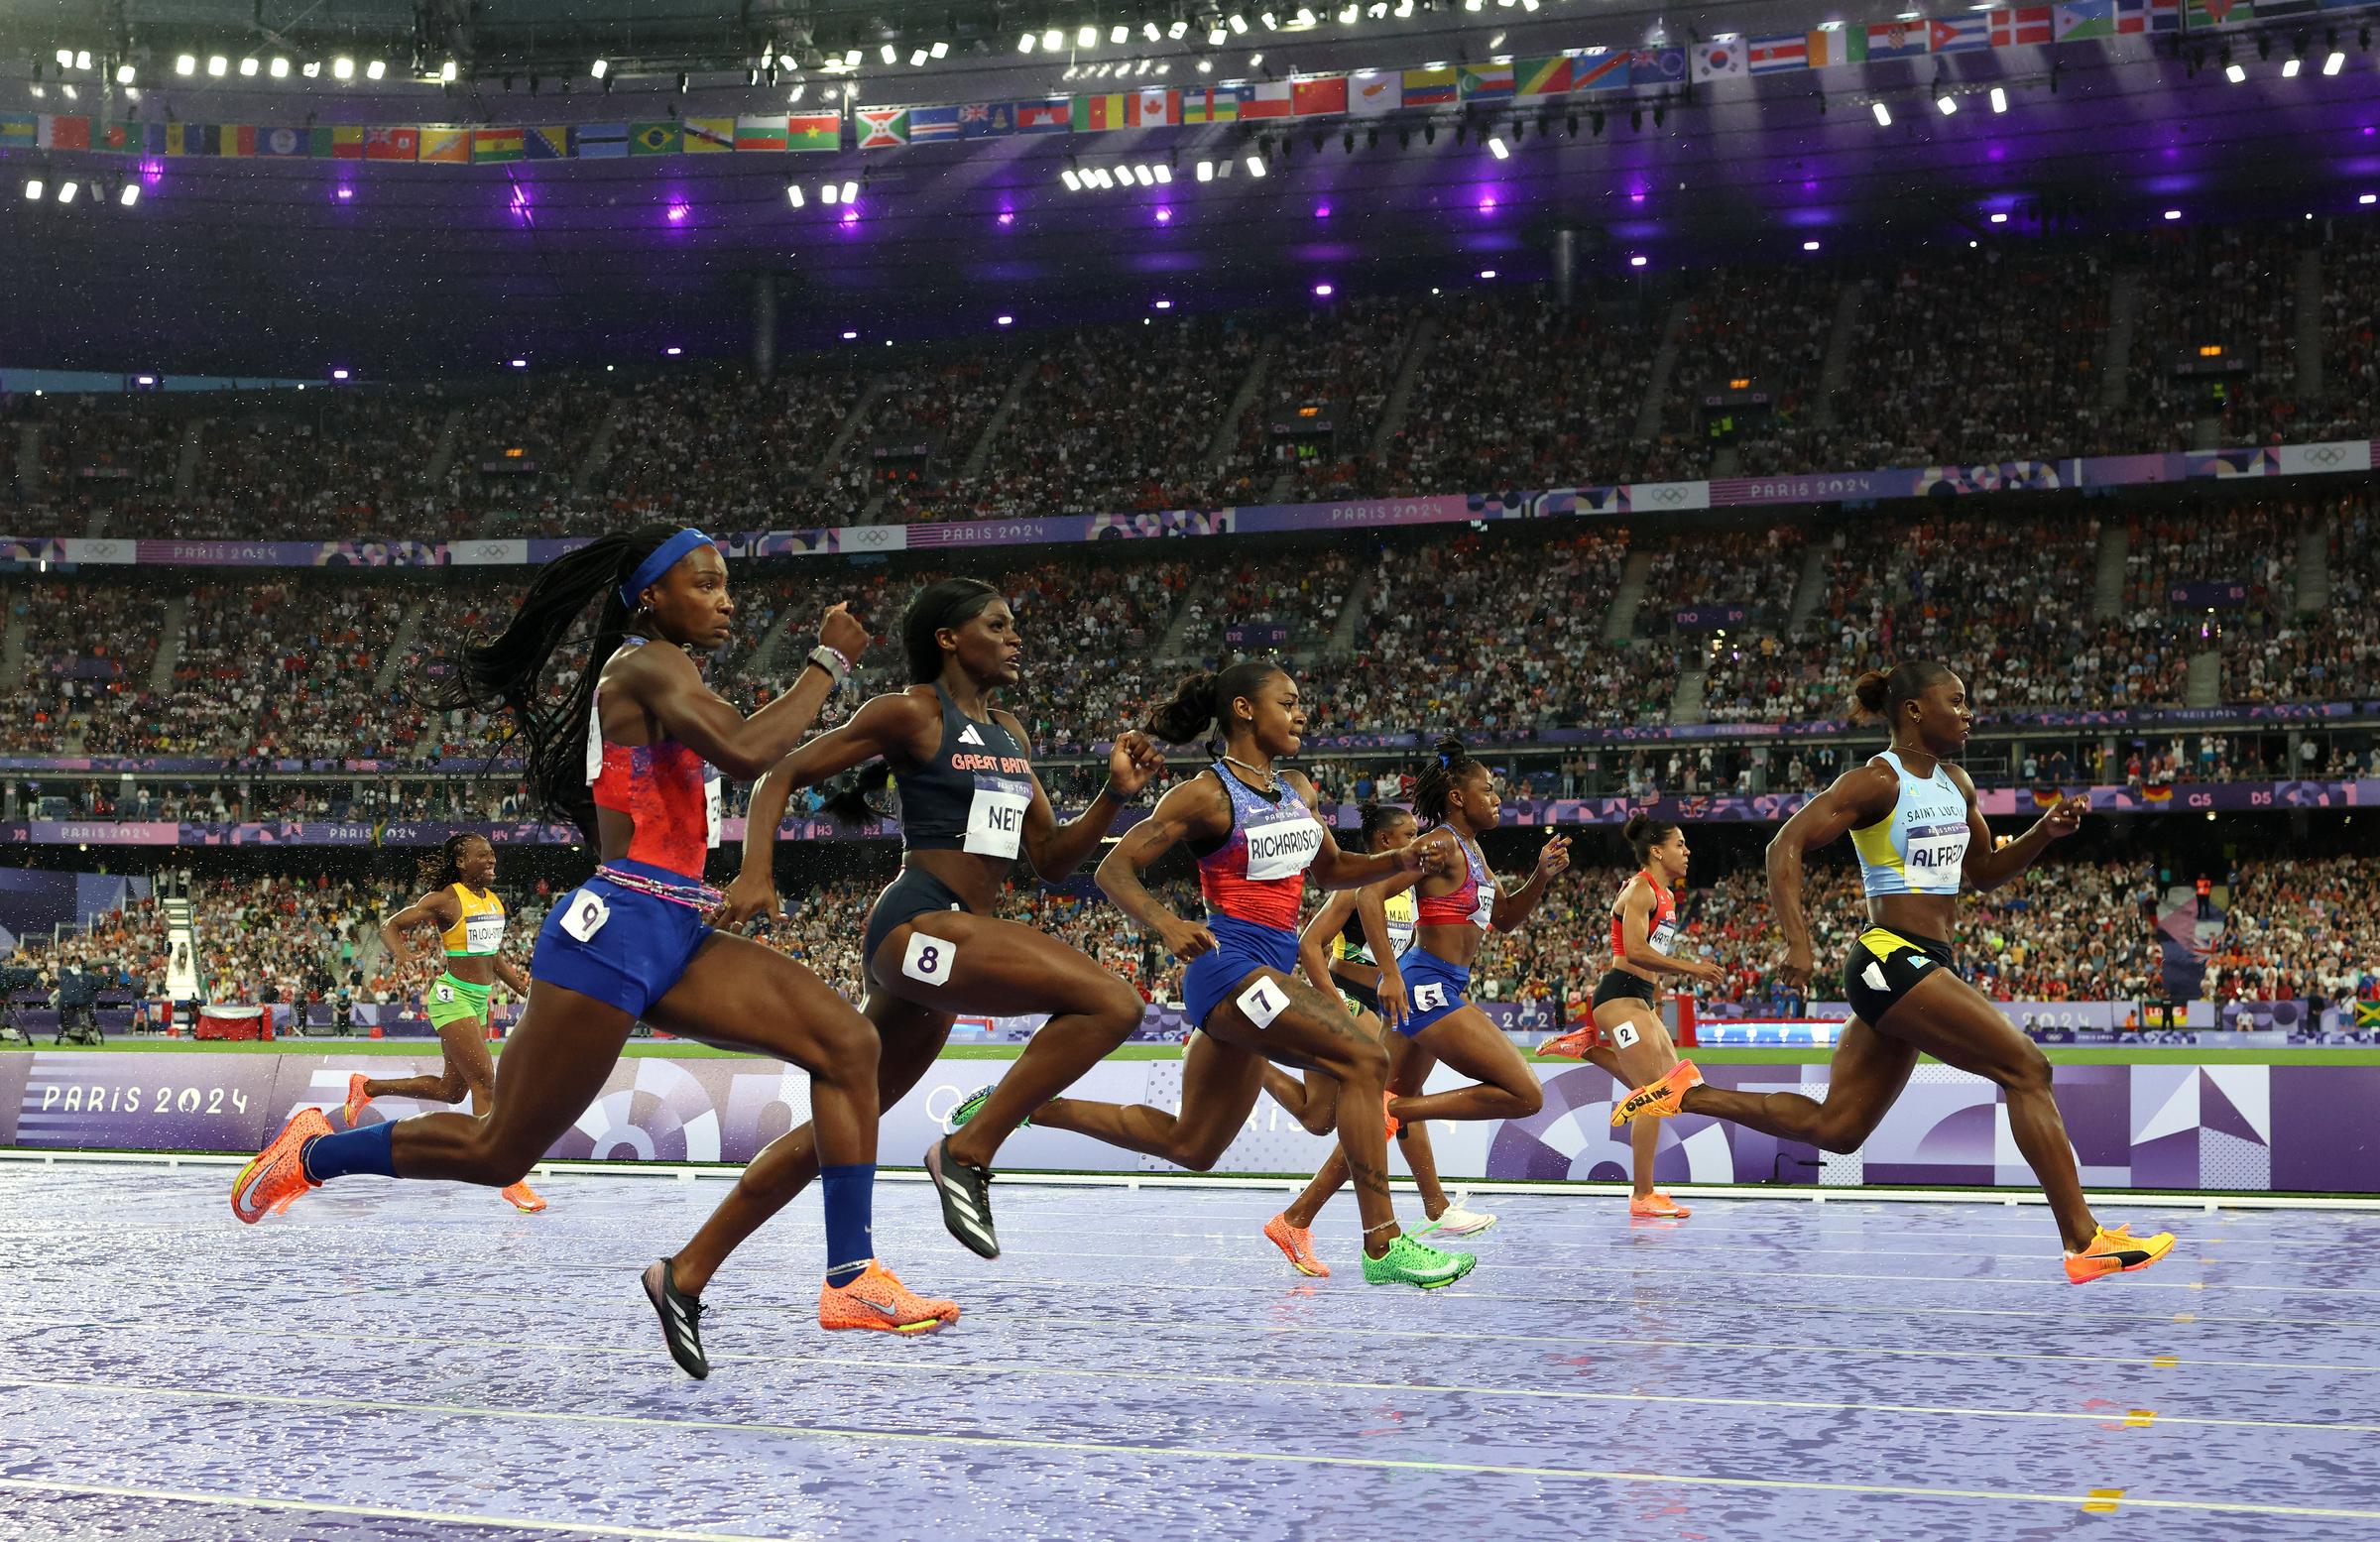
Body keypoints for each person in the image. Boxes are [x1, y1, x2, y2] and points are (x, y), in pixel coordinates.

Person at [229, 523, 960, 1364]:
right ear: (651, 596)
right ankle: (314, 1150)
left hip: (679, 924)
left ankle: (851, 1276)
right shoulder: (645, 663)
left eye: (727, 584)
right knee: (497, 1146)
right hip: (613, 932)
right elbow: (752, 748)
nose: (726, 599)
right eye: (707, 583)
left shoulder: (667, 669)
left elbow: (734, 755)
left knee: (849, 1044)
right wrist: (827, 661)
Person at [654, 578, 1164, 1355]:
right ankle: (965, 1150)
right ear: (949, 639)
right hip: (917, 927)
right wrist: (757, 870)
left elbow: (1054, 860)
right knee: (1114, 1003)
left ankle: (684, 1272)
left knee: (835, 1129)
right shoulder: (913, 712)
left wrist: (1112, 795)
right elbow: (778, 772)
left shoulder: (1013, 735)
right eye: (997, 623)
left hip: (954, 947)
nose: (1014, 636)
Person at [1607, 661, 2177, 1283]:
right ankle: (2084, 1239)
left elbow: (1981, 872)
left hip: (1925, 961)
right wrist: (1799, 944)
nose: (1968, 712)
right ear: (1913, 710)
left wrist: (2043, 832)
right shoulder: (1879, 781)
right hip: (1890, 957)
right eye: (1956, 701)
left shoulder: (1957, 784)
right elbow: (1783, 847)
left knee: (1840, 1129)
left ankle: (1687, 1093)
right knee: (2027, 1068)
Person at [1021, 659, 1479, 1287]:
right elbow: (1113, 870)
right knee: (1366, 1061)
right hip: (1226, 969)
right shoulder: (1206, 795)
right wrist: (1167, 924)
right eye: (1288, 702)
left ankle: (1027, 1106)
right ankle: (1384, 1245)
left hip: (1265, 974)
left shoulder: (1296, 789)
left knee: (1194, 1146)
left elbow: (1333, 871)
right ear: (1244, 709)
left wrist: (1397, 857)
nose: (1301, 714)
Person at [1259, 800, 1496, 1279]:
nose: (1418, 838)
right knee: (1388, 1099)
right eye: (1409, 831)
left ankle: (1250, 1065)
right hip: (1348, 997)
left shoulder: (1407, 889)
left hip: (1388, 1002)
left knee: (1321, 1117)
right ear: (1386, 841)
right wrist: (1332, 1004)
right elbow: (1311, 944)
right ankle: (1430, 1208)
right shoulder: (1360, 882)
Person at [1540, 815, 1725, 1219]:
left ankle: (1584, 1047)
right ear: (1657, 851)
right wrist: (1694, 969)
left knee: (1669, 1092)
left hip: (1639, 997)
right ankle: (1643, 1195)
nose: (1687, 850)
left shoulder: (1667, 896)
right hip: (1618, 995)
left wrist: (1656, 1007)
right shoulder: (1641, 888)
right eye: (1680, 843)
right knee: (1654, 1093)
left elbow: (1651, 966)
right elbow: (1636, 953)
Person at [349, 834, 545, 1214]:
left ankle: (367, 1087)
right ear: (460, 861)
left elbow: (493, 957)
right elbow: (391, 924)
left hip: (476, 1001)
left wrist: (524, 987)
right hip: (450, 997)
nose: (491, 860)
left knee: (452, 1091)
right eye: (482, 855)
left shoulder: (493, 901)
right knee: (485, 1081)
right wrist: (401, 951)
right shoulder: (446, 899)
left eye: (492, 855)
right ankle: (507, 1176)